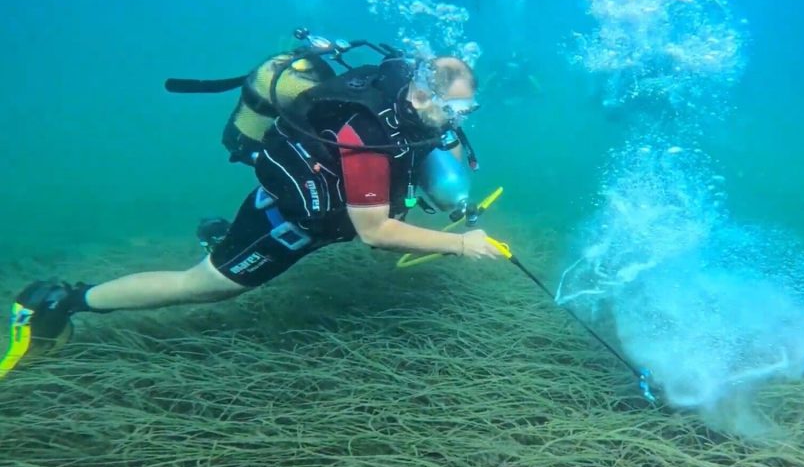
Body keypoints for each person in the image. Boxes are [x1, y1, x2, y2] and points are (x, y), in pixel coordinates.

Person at [3, 36, 505, 378]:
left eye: (467, 111)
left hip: (319, 203)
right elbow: (375, 231)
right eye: (454, 110)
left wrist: (453, 195)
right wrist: (460, 244)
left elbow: (437, 150)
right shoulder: (369, 137)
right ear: (419, 94)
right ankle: (56, 303)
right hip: (287, 223)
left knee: (220, 261)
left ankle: (221, 235)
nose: (458, 121)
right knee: (201, 288)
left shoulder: (407, 97)